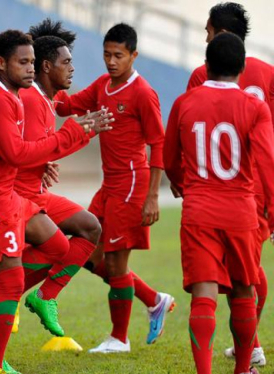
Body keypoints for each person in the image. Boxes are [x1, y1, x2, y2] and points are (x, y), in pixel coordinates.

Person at [0, 19, 113, 363]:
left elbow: (23, 149)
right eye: (23, 62)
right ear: (1, 63)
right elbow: (16, 152)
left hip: (10, 195)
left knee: (58, 246)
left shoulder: (18, 98)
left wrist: (49, 155)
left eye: (30, 62)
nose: (71, 68)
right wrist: (73, 135)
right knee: (7, 279)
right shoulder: (8, 99)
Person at [55, 23, 174, 353]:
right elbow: (67, 106)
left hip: (132, 187)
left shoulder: (143, 93)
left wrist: (152, 196)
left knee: (116, 265)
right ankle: (153, 299)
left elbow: (158, 143)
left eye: (118, 55)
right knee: (87, 253)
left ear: (133, 55)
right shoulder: (103, 86)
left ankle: (119, 339)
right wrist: (43, 84)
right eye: (106, 54)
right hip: (108, 186)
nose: (111, 61)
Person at [164, 31, 274, 374]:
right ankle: (243, 370)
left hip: (199, 210)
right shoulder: (255, 106)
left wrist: (184, 185)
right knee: (244, 291)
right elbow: (268, 163)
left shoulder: (185, 102)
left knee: (204, 294)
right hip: (241, 210)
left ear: (207, 65)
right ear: (241, 68)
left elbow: (170, 159)